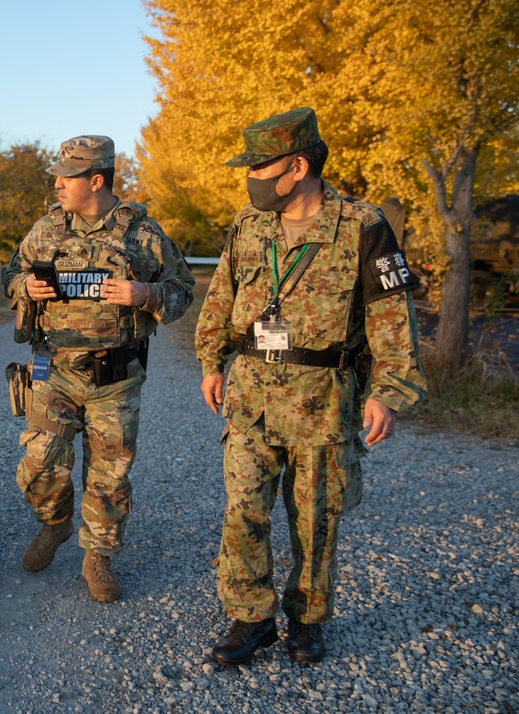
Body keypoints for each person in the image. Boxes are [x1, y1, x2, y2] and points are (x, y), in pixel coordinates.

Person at [194, 107, 427, 665]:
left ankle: (307, 618)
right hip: (250, 396)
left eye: (259, 166)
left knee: (315, 518)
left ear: (297, 166)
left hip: (322, 399)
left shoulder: (362, 225)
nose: (250, 177)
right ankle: (250, 618)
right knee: (243, 510)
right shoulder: (248, 223)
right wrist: (211, 359)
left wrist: (387, 392)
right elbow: (222, 296)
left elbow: (392, 318)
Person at [5, 135, 194, 603]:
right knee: (38, 464)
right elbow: (9, 276)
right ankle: (57, 523)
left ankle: (98, 556)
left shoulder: (143, 235)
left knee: (109, 475)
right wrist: (26, 286)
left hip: (116, 374)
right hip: (54, 368)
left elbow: (184, 289)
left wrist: (146, 295)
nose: (56, 184)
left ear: (95, 179)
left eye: (66, 176)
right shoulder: (46, 231)